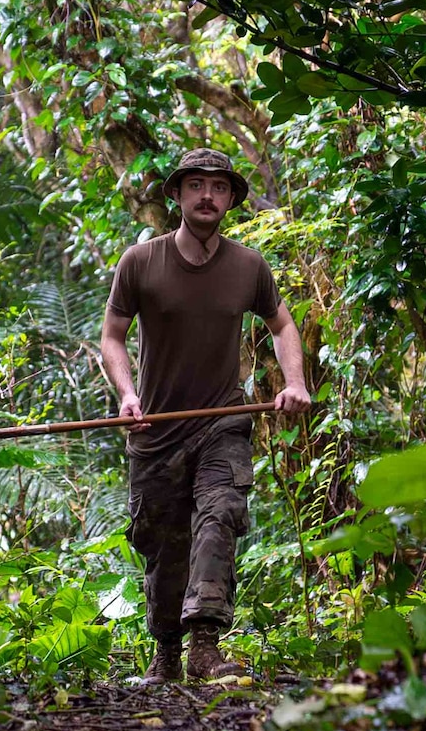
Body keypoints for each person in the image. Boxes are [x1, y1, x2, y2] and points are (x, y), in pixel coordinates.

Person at [100, 149, 311, 682]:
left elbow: (283, 326)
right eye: (195, 185)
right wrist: (127, 396)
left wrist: (294, 383)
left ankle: (205, 646)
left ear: (232, 200)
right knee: (162, 543)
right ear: (175, 196)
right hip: (155, 432)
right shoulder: (140, 262)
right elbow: (113, 338)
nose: (207, 196)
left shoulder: (248, 266)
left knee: (219, 516)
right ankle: (167, 652)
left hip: (222, 421)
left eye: (218, 188)